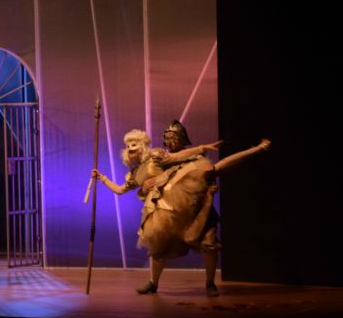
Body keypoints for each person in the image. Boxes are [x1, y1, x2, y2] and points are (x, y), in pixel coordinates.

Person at [92, 127, 269, 296]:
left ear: (143, 146)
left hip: (186, 200)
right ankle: (153, 283)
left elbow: (176, 157)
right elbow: (120, 190)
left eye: (135, 144)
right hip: (164, 210)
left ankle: (210, 283)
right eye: (128, 146)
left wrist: (202, 148)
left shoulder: (155, 156)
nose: (131, 148)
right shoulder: (134, 174)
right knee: (157, 244)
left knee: (208, 241)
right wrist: (102, 178)